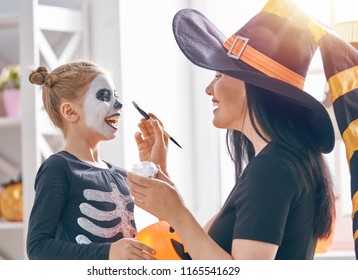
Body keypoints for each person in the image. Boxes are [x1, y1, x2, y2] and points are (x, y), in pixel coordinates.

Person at [126, 0, 336, 260]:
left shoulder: (273, 169)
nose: (209, 89)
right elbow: (198, 251)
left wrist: (178, 212)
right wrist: (164, 184)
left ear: (253, 85)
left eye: (218, 76)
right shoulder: (284, 162)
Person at [27, 61, 155, 260]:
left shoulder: (121, 175)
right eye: (104, 96)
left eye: (116, 96)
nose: (118, 104)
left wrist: (154, 163)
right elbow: (38, 247)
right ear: (70, 111)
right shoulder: (58, 168)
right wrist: (108, 253)